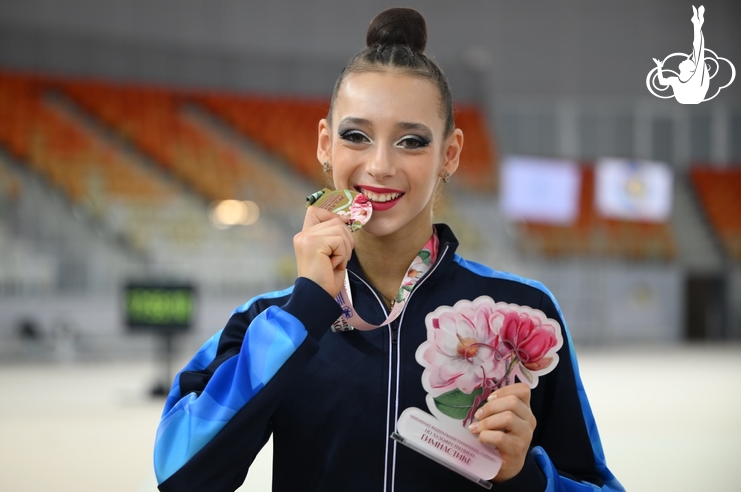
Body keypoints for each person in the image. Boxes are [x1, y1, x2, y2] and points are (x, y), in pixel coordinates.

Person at [153, 8, 623, 491]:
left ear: (450, 154)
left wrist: (523, 479)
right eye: (356, 136)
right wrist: (306, 310)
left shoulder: (524, 316)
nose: (379, 165)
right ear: (325, 144)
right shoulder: (270, 322)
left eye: (411, 141)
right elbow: (179, 475)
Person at [653, 5, 709, 104]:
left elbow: (699, 49)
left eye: (688, 61)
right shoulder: (677, 80)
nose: (686, 59)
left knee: (698, 50)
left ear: (690, 69)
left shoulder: (693, 78)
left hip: (694, 96)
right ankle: (697, 23)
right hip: (689, 97)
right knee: (698, 51)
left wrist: (659, 67)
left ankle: (697, 23)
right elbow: (662, 82)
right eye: (689, 60)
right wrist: (659, 67)